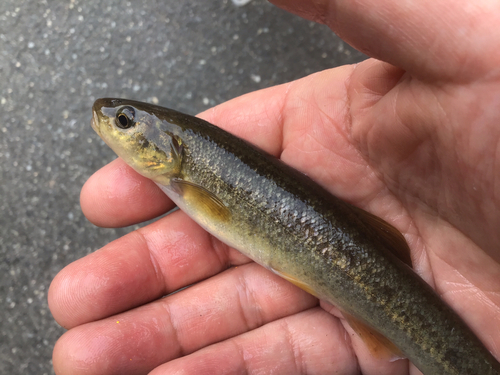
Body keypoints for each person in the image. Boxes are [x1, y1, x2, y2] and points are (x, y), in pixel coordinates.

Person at [48, 0, 500, 373]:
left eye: (124, 121)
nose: (109, 119)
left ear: (167, 147)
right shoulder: (184, 168)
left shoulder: (187, 167)